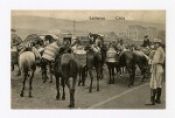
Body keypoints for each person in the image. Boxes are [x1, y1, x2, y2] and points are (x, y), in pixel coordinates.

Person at [146, 39, 165, 105]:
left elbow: (155, 61)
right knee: (159, 84)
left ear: (158, 44)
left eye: (156, 43)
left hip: (156, 67)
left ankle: (152, 100)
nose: (154, 44)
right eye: (154, 43)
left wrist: (150, 59)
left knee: (153, 84)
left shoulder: (158, 50)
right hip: (160, 68)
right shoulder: (161, 50)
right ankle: (158, 99)